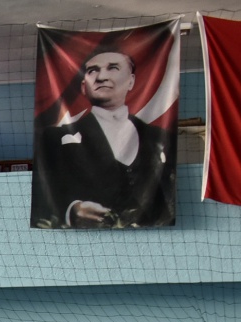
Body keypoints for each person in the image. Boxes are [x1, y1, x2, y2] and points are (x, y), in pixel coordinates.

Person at [31, 48, 176, 229]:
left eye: (113, 68)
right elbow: (42, 192)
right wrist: (71, 210)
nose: (101, 77)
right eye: (93, 71)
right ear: (84, 87)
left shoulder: (160, 138)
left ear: (131, 81)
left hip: (153, 238)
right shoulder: (54, 139)